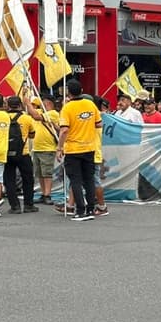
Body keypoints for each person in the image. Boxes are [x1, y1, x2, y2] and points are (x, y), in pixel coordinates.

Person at [56, 79, 102, 221]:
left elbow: (64, 130)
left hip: (73, 149)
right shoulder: (90, 104)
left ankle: (80, 210)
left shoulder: (67, 108)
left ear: (68, 93)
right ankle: (90, 209)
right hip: (89, 147)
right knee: (88, 180)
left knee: (75, 180)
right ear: (82, 90)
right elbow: (99, 123)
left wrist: (59, 148)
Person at [3, 95, 37, 214]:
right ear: (20, 105)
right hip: (23, 152)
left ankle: (15, 206)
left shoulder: (4, 117)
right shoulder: (27, 118)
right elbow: (32, 135)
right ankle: (28, 205)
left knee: (9, 180)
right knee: (27, 179)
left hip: (6, 152)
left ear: (7, 105)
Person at [26, 94, 59, 205]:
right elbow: (32, 114)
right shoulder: (42, 112)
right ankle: (43, 193)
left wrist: (28, 103)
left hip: (47, 148)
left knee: (47, 173)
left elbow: (36, 116)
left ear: (49, 102)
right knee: (39, 173)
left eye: (43, 102)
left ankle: (47, 194)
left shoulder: (53, 114)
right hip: (37, 148)